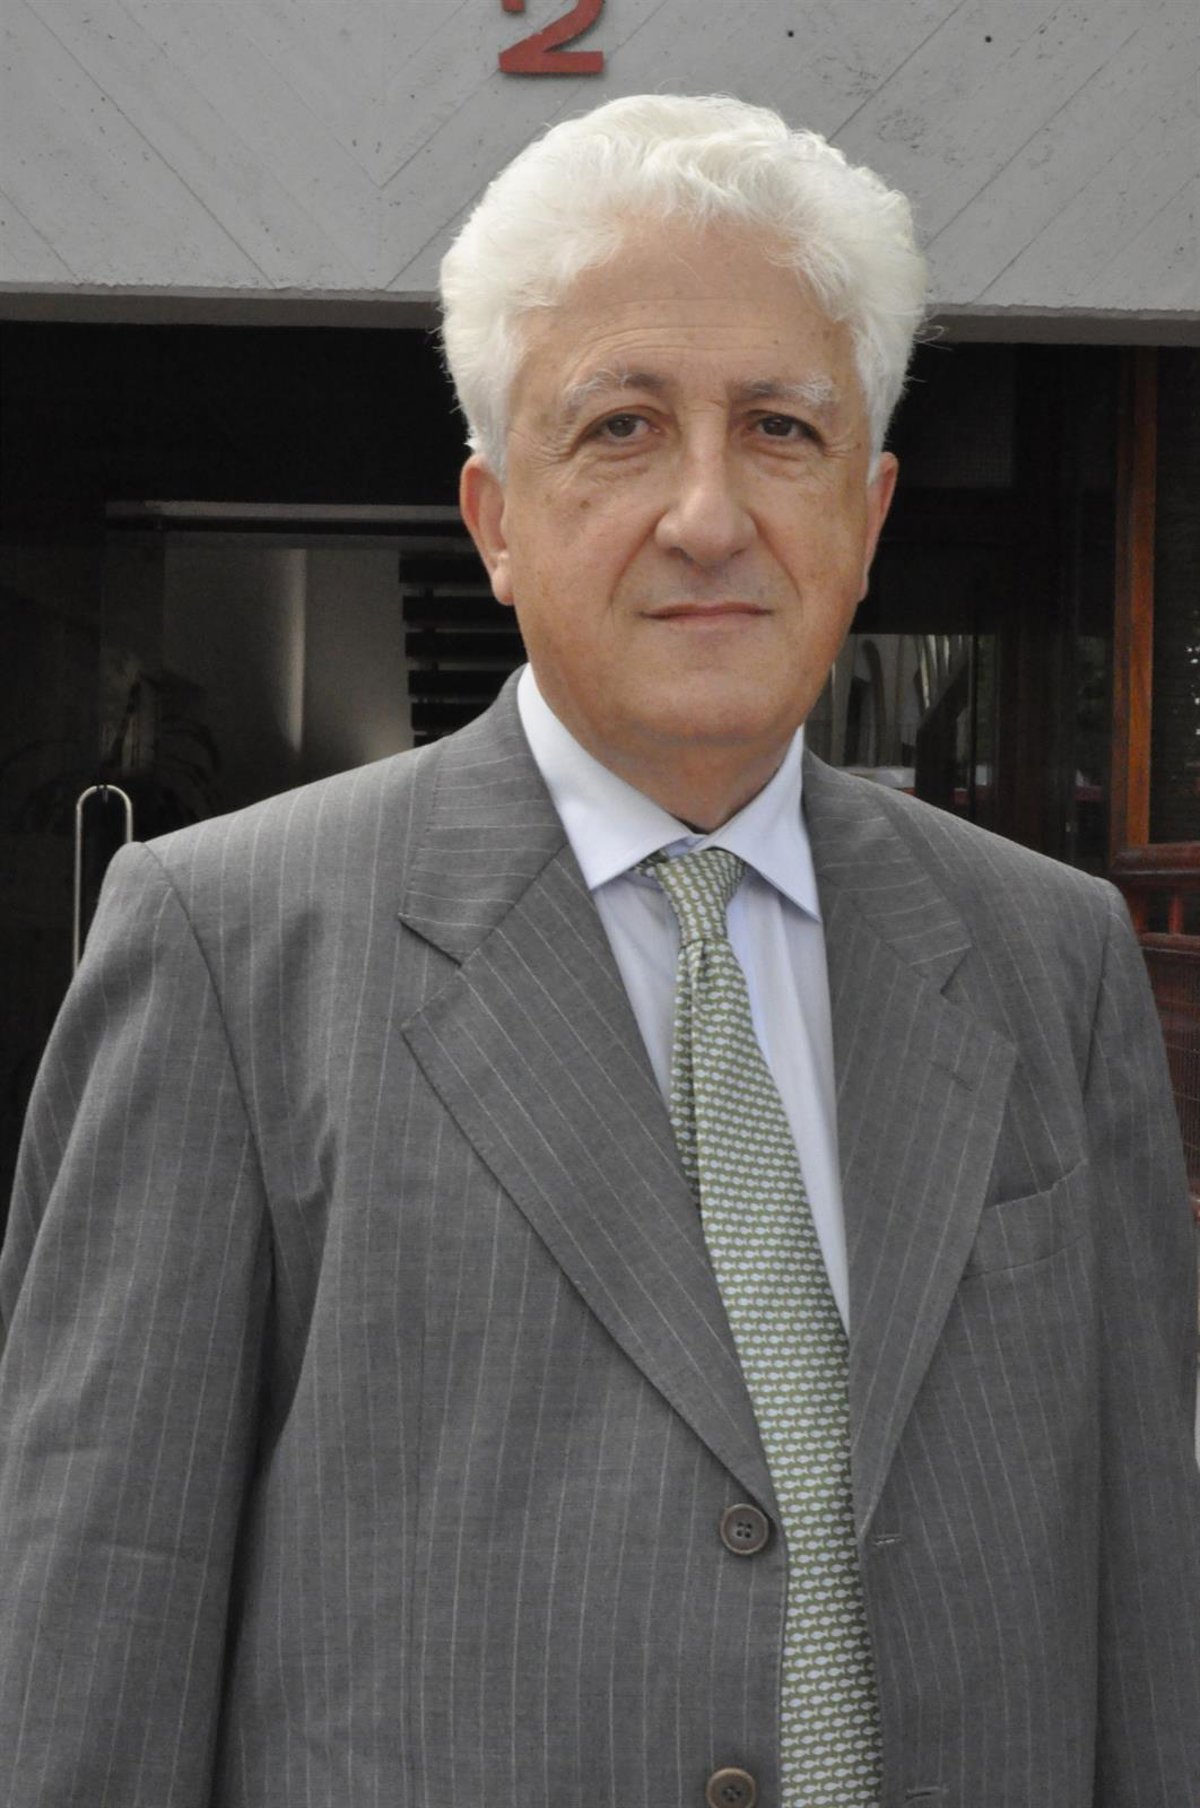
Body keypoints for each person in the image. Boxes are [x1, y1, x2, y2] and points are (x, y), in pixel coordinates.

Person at [1, 93, 1198, 1808]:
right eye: (622, 426)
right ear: (494, 517)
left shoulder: (1052, 955)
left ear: (867, 513)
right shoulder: (225, 947)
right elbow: (103, 1609)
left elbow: (1147, 1602)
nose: (709, 513)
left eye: (780, 428)